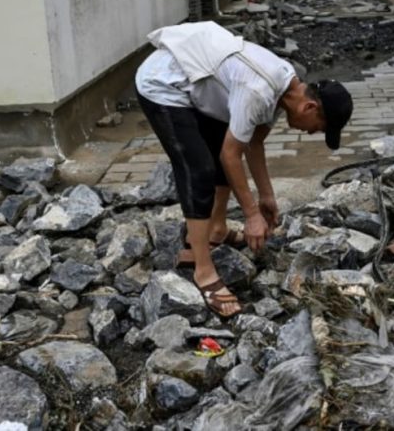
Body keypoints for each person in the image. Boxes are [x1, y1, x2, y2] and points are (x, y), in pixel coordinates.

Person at [135, 21, 353, 317]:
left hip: (201, 85)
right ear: (309, 109)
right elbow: (231, 155)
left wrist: (266, 197)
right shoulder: (260, 89)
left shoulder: (285, 87)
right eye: (317, 130)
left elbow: (253, 143)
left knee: (225, 152)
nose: (312, 134)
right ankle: (203, 270)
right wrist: (250, 215)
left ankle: (217, 228)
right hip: (163, 83)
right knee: (199, 170)